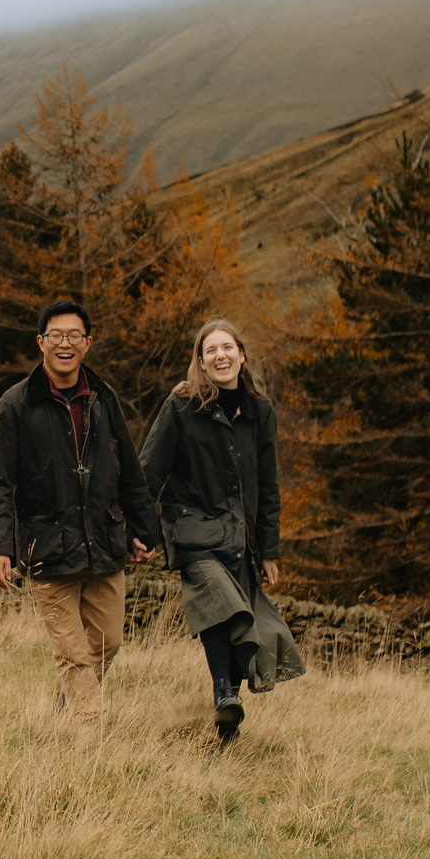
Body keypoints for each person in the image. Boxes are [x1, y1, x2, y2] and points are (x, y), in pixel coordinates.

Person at [0, 298, 159, 726]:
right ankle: (91, 737)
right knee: (74, 656)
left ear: (88, 343)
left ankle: (65, 710)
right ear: (41, 342)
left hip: (104, 543)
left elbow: (130, 470)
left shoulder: (103, 398)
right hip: (47, 549)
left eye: (74, 335)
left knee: (108, 642)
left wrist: (143, 529)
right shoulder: (16, 404)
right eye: (56, 335)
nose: (65, 343)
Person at [139, 318, 304, 744]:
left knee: (241, 618)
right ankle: (223, 692)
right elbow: (149, 470)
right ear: (201, 362)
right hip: (192, 530)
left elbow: (268, 485)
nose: (220, 356)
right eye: (210, 350)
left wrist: (269, 550)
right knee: (218, 602)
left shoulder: (259, 410)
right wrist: (140, 530)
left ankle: (227, 723)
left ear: (241, 355)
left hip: (240, 537)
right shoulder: (181, 405)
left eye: (227, 347)